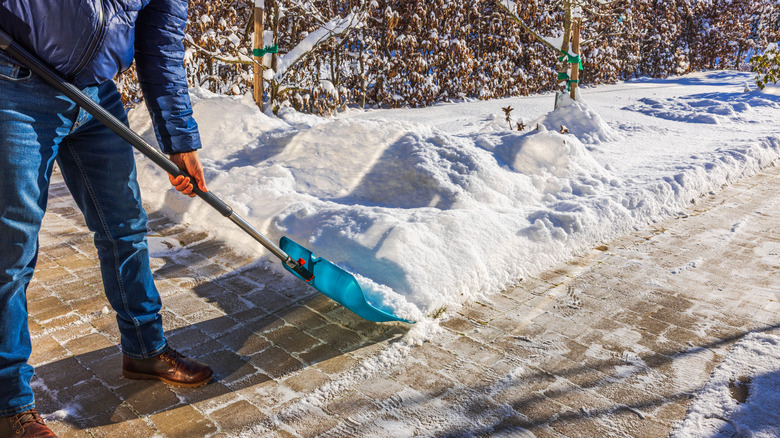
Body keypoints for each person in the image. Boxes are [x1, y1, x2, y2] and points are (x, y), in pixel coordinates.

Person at [0, 1, 214, 436]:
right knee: (11, 254)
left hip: (95, 94)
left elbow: (161, 47)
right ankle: (9, 404)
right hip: (15, 85)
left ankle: (144, 349)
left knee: (126, 229)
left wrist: (180, 141)